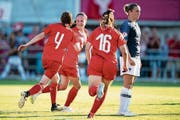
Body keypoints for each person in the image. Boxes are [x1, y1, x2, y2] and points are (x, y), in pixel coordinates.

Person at [30, 12, 88, 112]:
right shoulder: (71, 30)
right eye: (78, 20)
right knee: (77, 86)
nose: (79, 22)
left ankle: (37, 92)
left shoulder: (85, 34)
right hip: (70, 63)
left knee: (62, 86)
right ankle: (66, 107)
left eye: (81, 21)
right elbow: (63, 38)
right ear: (75, 21)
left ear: (85, 21)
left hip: (65, 62)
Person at [17, 11, 75, 111]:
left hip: (45, 57)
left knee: (55, 80)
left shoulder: (52, 26)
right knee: (43, 83)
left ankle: (53, 105)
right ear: (70, 21)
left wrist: (27, 44)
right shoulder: (71, 34)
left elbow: (40, 36)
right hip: (56, 61)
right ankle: (26, 93)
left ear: (61, 19)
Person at [85, 9, 132, 119]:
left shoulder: (96, 31)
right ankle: (91, 114)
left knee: (92, 91)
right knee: (104, 91)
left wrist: (90, 62)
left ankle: (97, 88)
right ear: (112, 20)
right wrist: (124, 65)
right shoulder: (117, 33)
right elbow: (124, 51)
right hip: (110, 63)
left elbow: (87, 49)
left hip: (96, 61)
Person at [118, 3, 141, 116]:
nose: (138, 13)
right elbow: (123, 43)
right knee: (127, 84)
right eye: (136, 11)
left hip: (135, 57)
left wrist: (138, 59)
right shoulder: (126, 24)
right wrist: (130, 58)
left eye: (139, 11)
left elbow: (136, 43)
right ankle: (123, 110)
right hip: (128, 57)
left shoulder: (135, 24)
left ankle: (125, 109)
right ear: (130, 12)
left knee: (131, 84)